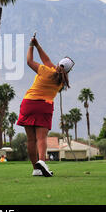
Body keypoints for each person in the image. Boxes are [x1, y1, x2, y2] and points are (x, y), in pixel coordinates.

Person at [17, 35, 74, 177]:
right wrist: (38, 45)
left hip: (28, 103)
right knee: (41, 138)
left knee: (31, 139)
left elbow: (29, 61)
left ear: (58, 63)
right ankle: (41, 161)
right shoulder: (61, 80)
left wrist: (31, 45)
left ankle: (36, 168)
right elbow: (47, 61)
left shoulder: (45, 71)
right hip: (44, 106)